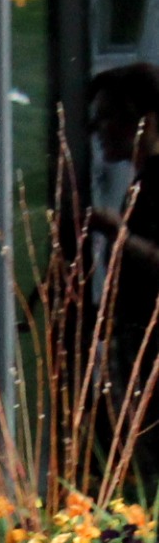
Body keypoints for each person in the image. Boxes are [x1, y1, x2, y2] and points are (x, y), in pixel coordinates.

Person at [88, 63, 159, 477]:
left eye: (107, 116)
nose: (98, 130)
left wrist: (119, 236)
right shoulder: (141, 182)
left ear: (144, 121)